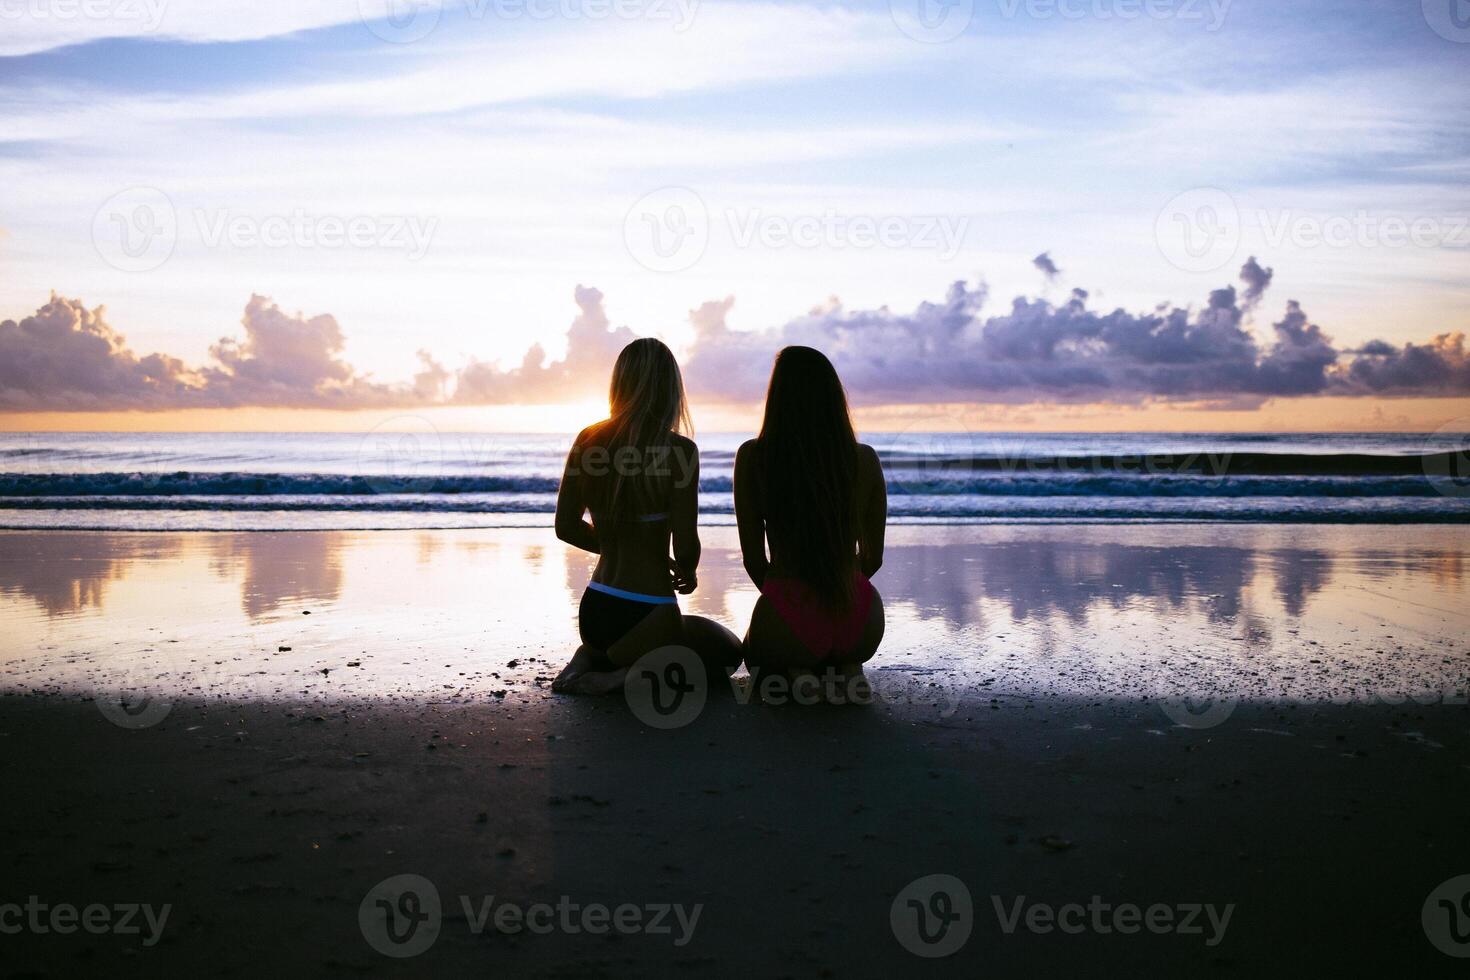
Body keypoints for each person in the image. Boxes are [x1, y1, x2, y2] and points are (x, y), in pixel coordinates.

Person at [551, 338, 742, 695]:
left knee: (682, 633)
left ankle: (590, 657)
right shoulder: (680, 451)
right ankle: (620, 678)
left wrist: (612, 544)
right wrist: (686, 568)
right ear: (669, 389)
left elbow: (565, 527)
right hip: (649, 608)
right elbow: (686, 543)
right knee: (728, 653)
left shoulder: (588, 439)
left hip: (595, 609)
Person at [734, 346, 886, 703]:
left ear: (777, 397)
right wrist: (835, 590)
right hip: (860, 616)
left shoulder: (754, 458)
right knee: (840, 652)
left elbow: (755, 561)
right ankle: (848, 669)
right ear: (834, 397)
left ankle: (797, 674)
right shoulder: (863, 459)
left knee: (754, 655)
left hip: (788, 606)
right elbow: (874, 558)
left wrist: (788, 609)